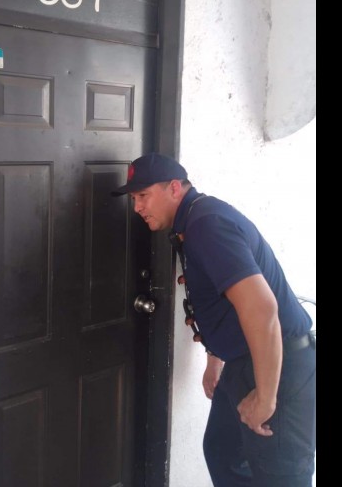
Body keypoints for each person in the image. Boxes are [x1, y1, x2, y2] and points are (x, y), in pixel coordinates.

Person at [112, 152, 315, 487]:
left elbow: (261, 308)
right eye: (134, 198)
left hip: (278, 367)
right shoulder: (192, 222)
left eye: (143, 195)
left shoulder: (207, 225)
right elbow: (220, 300)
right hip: (243, 362)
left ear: (174, 188)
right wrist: (214, 359)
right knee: (223, 453)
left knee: (280, 476)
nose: (137, 207)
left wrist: (266, 397)